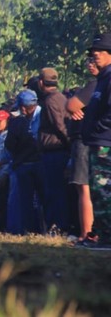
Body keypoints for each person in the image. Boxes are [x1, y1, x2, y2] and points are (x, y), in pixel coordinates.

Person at [82, 33, 111, 245]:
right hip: (97, 142)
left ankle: (107, 236)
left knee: (103, 191)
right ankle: (101, 232)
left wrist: (98, 129)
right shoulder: (102, 79)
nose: (95, 56)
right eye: (94, 53)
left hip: (105, 144)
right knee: (97, 190)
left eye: (100, 52)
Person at [67, 57, 98, 244]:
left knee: (84, 189)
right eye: (88, 60)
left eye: (94, 60)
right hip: (93, 139)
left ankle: (86, 233)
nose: (90, 64)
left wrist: (71, 106)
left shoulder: (96, 85)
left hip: (85, 139)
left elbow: (71, 105)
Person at [5, 89, 45, 235]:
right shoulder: (43, 116)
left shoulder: (16, 123)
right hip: (41, 163)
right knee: (41, 199)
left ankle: (25, 230)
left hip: (23, 166)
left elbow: (9, 144)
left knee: (23, 201)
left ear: (22, 107)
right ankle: (41, 229)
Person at [37, 67, 71, 233]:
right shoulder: (61, 98)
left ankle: (57, 226)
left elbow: (59, 126)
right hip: (59, 151)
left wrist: (68, 144)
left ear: (41, 83)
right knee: (58, 191)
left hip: (54, 152)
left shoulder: (50, 101)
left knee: (53, 191)